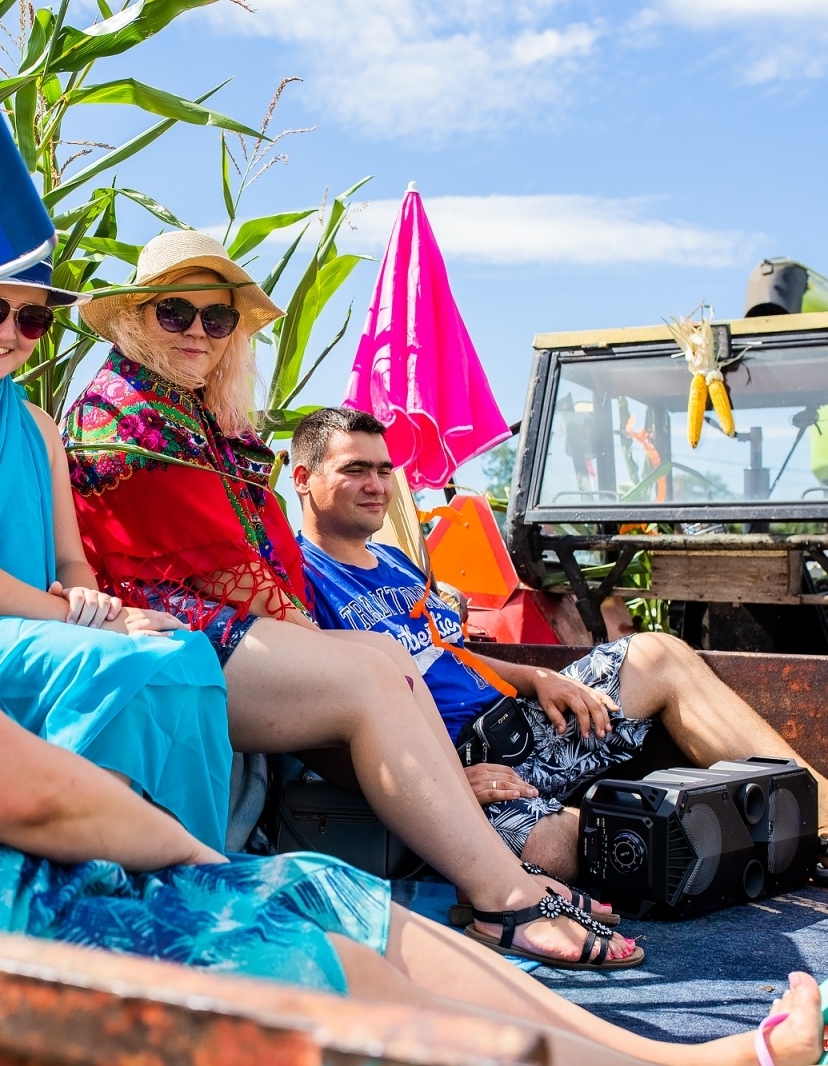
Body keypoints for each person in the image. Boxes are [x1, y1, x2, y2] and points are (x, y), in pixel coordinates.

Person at [0, 326, 828, 1066]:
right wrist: (178, 853)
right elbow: (41, 803)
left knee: (318, 892)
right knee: (270, 918)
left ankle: (661, 1064)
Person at [63, 232, 641, 970]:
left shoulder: (192, 412)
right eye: (176, 314)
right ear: (137, 318)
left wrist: (321, 638)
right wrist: (313, 636)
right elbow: (220, 566)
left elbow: (247, 562)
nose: (199, 333)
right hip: (164, 626)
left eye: (217, 320)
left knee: (379, 652)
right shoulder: (124, 410)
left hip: (217, 621)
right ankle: (505, 901)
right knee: (367, 667)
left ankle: (499, 876)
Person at [290, 405, 828, 896]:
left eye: (383, 469)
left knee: (655, 652)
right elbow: (320, 722)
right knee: (582, 851)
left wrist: (535, 676)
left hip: (524, 729)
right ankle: (729, 846)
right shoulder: (292, 578)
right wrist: (440, 783)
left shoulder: (395, 564)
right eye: (356, 469)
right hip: (453, 769)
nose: (378, 484)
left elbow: (447, 652)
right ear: (303, 479)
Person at [0, 259, 232, 851]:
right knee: (116, 665)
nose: (6, 332)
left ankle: (181, 861)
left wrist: (88, 600)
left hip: (30, 620)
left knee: (187, 656)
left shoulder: (40, 426)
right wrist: (74, 618)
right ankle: (88, 853)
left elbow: (69, 560)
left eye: (31, 319)